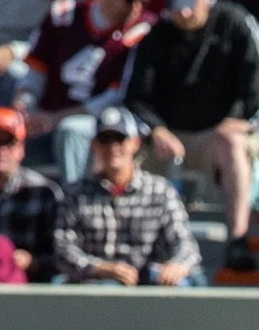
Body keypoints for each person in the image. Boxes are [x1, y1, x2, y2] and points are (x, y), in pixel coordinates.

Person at [124, 0, 259, 277]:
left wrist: (248, 123)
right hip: (170, 139)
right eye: (175, 5)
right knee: (120, 147)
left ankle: (238, 238)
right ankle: (128, 248)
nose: (183, 13)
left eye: (189, 3)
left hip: (216, 137)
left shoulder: (235, 23)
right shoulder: (157, 35)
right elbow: (135, 97)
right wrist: (156, 129)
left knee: (231, 142)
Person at [19, 0, 157, 184]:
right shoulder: (64, 15)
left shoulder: (142, 33)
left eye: (143, 0)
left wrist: (55, 118)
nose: (137, 8)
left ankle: (76, 202)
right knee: (6, 122)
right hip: (46, 116)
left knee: (73, 130)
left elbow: (112, 99)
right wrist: (23, 106)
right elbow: (34, 72)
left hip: (99, 126)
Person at [53, 103, 202, 285]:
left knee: (189, 283)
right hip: (96, 284)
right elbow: (63, 249)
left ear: (135, 143)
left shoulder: (160, 191)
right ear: (94, 145)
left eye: (120, 138)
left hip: (149, 281)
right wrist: (102, 268)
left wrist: (176, 266)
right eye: (105, 139)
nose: (112, 147)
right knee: (102, 288)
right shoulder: (76, 194)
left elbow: (185, 244)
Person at [0, 105, 62, 278]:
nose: (1, 150)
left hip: (28, 289)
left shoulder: (44, 192)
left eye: (9, 142)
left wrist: (33, 262)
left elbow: (61, 256)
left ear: (22, 149)